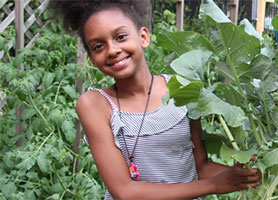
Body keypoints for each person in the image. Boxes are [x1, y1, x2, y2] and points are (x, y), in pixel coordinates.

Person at [48, 1, 261, 199]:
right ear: (93, 60)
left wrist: (255, 169)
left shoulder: (183, 88)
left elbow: (201, 166)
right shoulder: (95, 104)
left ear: (143, 37)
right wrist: (214, 186)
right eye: (98, 47)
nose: (112, 50)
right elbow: (125, 191)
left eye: (120, 37)